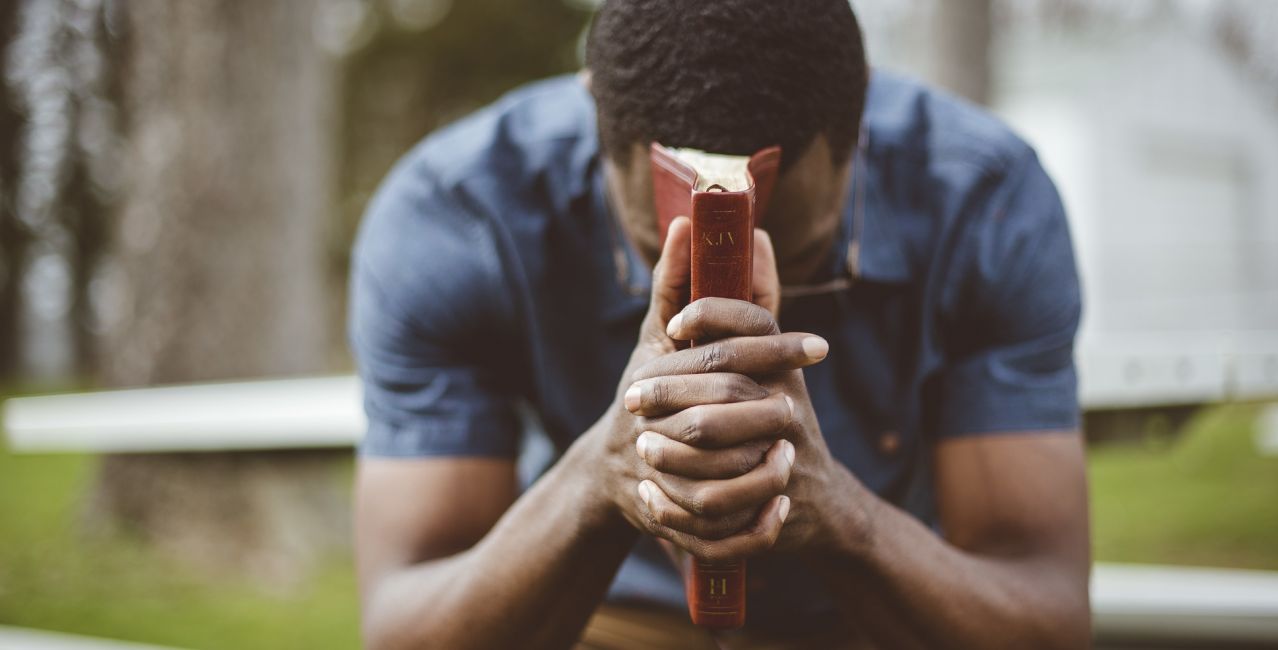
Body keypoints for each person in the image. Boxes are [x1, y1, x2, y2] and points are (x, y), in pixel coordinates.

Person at [348, 0, 1090, 648]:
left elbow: (1046, 621)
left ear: (857, 119)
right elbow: (407, 626)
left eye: (794, 257)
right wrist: (600, 478)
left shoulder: (983, 201)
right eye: (657, 252)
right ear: (594, 107)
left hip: (867, 624)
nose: (729, 335)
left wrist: (838, 512)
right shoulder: (459, 216)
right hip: (603, 621)